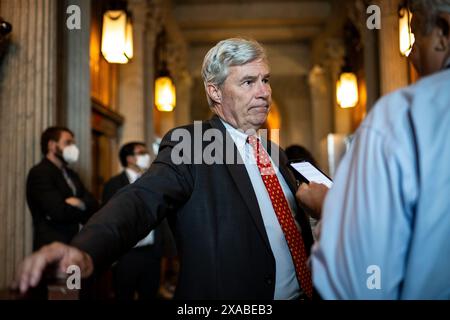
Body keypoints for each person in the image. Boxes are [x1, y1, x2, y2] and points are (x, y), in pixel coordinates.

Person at [14, 38, 315, 300]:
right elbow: (141, 199)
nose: (264, 92)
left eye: (266, 80)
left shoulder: (274, 152)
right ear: (216, 92)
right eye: (248, 82)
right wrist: (85, 250)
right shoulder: (195, 144)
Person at [297, 0, 450, 299]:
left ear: (443, 33)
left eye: (416, 37)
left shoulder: (399, 116)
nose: (411, 55)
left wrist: (332, 210)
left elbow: (356, 280)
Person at [102, 142, 174, 300]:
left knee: (150, 295)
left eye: (146, 152)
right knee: (124, 295)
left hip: (151, 254)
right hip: (126, 255)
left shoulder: (152, 181)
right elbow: (110, 219)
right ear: (129, 159)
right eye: (141, 153)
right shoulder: (114, 185)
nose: (146, 156)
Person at [26, 126, 98, 251]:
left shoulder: (71, 173)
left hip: (77, 245)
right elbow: (58, 211)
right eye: (68, 143)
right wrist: (82, 206)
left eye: (73, 143)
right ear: (52, 145)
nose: (73, 148)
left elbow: (93, 204)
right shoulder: (40, 172)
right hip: (53, 247)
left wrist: (79, 203)